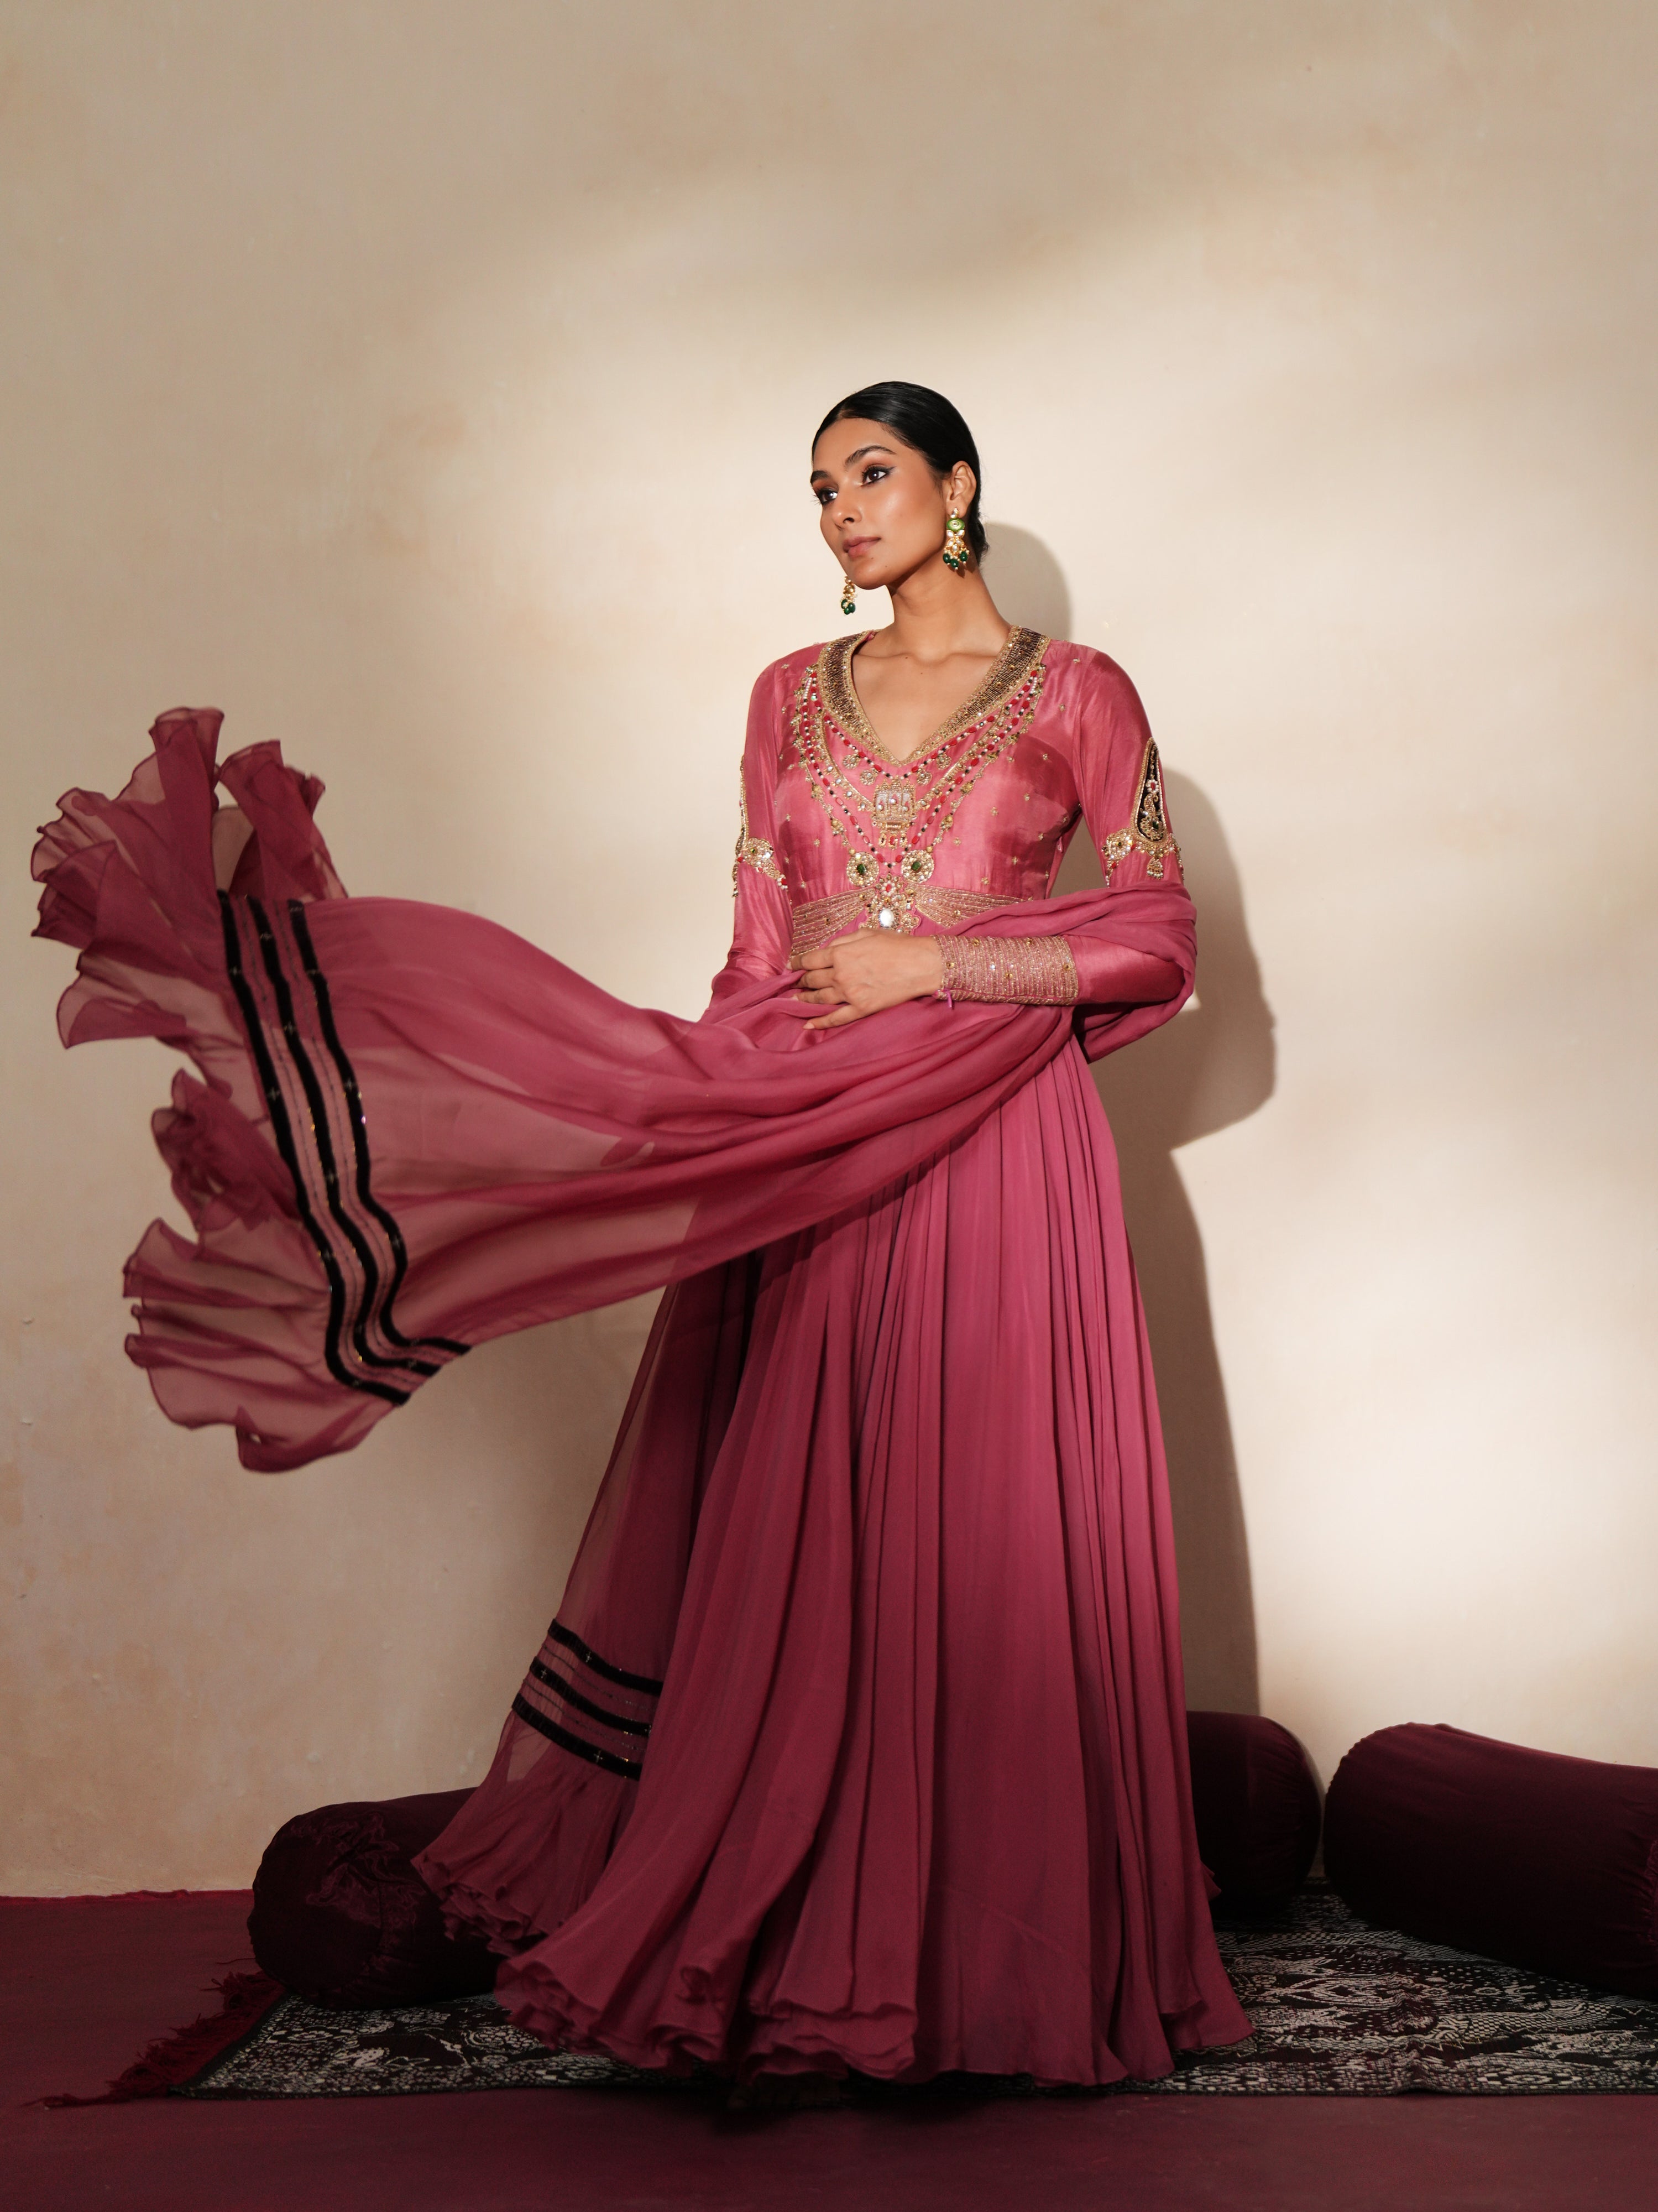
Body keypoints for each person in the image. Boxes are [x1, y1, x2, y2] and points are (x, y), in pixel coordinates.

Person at [32, 381, 1249, 2100]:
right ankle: (803, 1928)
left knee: (985, 1519)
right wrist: (701, 1120)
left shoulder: (1079, 693)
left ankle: (996, 1956)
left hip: (998, 1149)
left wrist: (936, 965)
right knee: (813, 1520)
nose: (842, 508)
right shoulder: (783, 694)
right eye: (819, 486)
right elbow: (756, 953)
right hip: (806, 1137)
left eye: (873, 472)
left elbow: (1157, 937)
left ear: (959, 485)